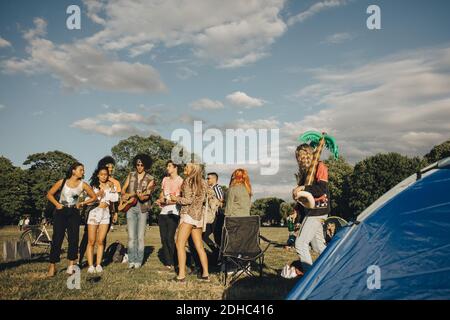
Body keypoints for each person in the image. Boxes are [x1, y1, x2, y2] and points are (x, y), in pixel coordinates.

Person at [46, 162, 97, 277]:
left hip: (74, 213)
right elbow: (49, 194)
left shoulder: (83, 185)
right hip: (60, 212)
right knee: (57, 239)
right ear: (73, 171)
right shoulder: (62, 182)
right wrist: (57, 204)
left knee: (73, 239)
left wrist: (82, 203)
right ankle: (52, 266)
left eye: (83, 170)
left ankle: (71, 266)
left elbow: (94, 197)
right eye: (81, 170)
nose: (83, 172)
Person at [170, 162, 213, 282]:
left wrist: (175, 199)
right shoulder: (204, 182)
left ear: (193, 169)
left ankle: (181, 275)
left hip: (188, 215)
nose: (185, 168)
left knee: (179, 244)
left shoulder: (188, 181)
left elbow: (188, 200)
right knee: (199, 246)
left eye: (187, 167)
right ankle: (205, 274)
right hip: (198, 216)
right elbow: (207, 196)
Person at [292, 144, 330, 273]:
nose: (299, 159)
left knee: (300, 244)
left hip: (318, 212)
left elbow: (321, 190)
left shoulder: (320, 166)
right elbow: (305, 198)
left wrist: (303, 188)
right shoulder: (305, 173)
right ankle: (333, 269)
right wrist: (296, 210)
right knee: (318, 246)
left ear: (308, 154)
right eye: (298, 157)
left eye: (301, 156)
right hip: (311, 212)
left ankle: (309, 280)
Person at [121, 154, 155, 269]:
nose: (139, 167)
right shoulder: (131, 175)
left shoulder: (150, 178)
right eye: (137, 164)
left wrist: (142, 196)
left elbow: (147, 194)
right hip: (130, 207)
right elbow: (123, 189)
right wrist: (124, 195)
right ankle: (131, 259)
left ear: (145, 165)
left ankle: (138, 261)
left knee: (140, 237)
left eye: (141, 165)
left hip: (143, 208)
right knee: (131, 236)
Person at [85, 166, 119, 273]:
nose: (104, 176)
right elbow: (88, 201)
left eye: (106, 174)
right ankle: (91, 265)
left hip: (105, 213)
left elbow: (115, 198)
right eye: (102, 174)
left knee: (100, 241)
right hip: (94, 212)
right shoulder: (93, 186)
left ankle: (98, 264)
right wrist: (97, 195)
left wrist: (113, 187)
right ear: (98, 175)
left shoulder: (110, 185)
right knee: (91, 241)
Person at [155, 160, 183, 270]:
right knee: (163, 238)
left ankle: (174, 261)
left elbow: (179, 199)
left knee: (169, 237)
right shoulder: (165, 179)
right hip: (163, 212)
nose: (167, 168)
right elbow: (162, 193)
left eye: (169, 166)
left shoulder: (181, 181)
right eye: (167, 166)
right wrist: (160, 200)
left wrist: (167, 202)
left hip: (174, 212)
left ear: (175, 167)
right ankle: (168, 263)